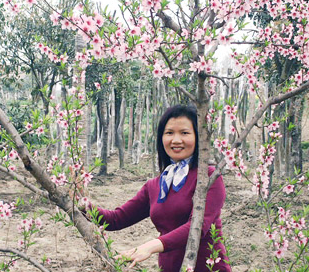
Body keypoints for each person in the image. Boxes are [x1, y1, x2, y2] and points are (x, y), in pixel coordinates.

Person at [95, 105, 231, 272]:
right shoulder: (156, 185)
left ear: (198, 137)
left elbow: (198, 226)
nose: (176, 140)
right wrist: (81, 202)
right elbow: (116, 219)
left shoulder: (209, 177)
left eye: (185, 133)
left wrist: (150, 246)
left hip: (208, 267)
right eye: (169, 133)